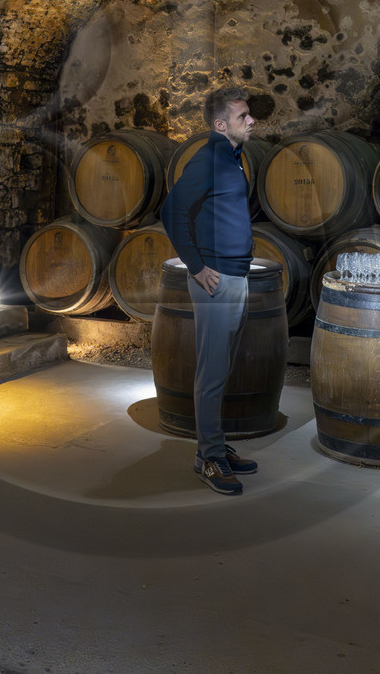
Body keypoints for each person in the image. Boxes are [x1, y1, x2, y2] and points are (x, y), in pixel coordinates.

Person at [160, 85, 258, 495]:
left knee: (223, 368)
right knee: (212, 373)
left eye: (249, 115)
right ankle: (208, 458)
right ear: (221, 125)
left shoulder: (233, 158)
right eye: (242, 117)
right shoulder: (210, 157)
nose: (251, 120)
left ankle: (216, 445)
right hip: (216, 280)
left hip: (235, 276)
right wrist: (197, 267)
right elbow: (172, 210)